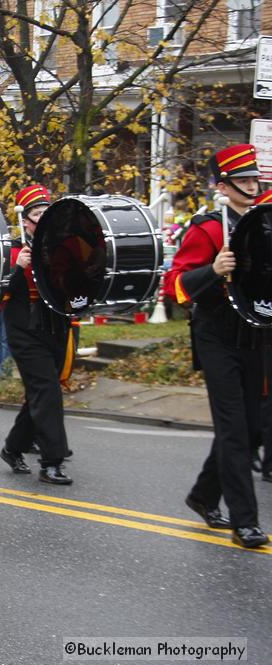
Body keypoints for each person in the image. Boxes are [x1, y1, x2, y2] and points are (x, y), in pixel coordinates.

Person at [164, 143, 269, 549]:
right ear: (223, 186)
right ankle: (246, 521)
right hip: (217, 336)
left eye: (253, 178)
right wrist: (214, 268)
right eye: (242, 180)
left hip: (257, 334)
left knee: (251, 428)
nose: (252, 185)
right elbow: (174, 285)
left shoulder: (264, 222)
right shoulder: (207, 228)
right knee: (234, 430)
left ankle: (204, 495)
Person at [0, 185, 75, 486]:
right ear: (25, 220)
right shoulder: (15, 250)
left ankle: (13, 447)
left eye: (46, 212)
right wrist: (17, 269)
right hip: (25, 330)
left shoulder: (63, 247)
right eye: (36, 213)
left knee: (42, 393)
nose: (42, 218)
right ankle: (52, 462)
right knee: (47, 391)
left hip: (56, 327)